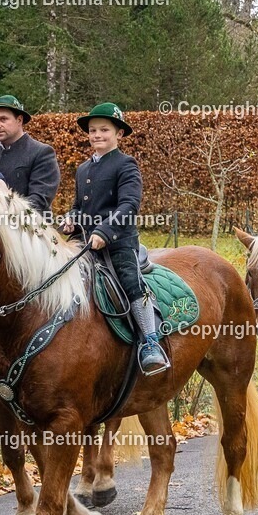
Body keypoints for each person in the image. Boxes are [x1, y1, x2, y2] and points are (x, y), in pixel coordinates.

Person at [61, 102, 169, 375]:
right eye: (93, 130)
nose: (97, 135)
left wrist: (105, 232)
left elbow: (129, 205)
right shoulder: (83, 168)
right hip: (86, 243)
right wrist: (71, 218)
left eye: (104, 130)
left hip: (119, 242)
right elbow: (78, 205)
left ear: (119, 134)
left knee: (131, 282)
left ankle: (150, 343)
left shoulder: (126, 164)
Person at [0, 95, 61, 214]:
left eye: (3, 119)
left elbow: (38, 202)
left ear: (19, 120)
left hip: (31, 229)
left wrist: (5, 205)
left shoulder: (42, 153)